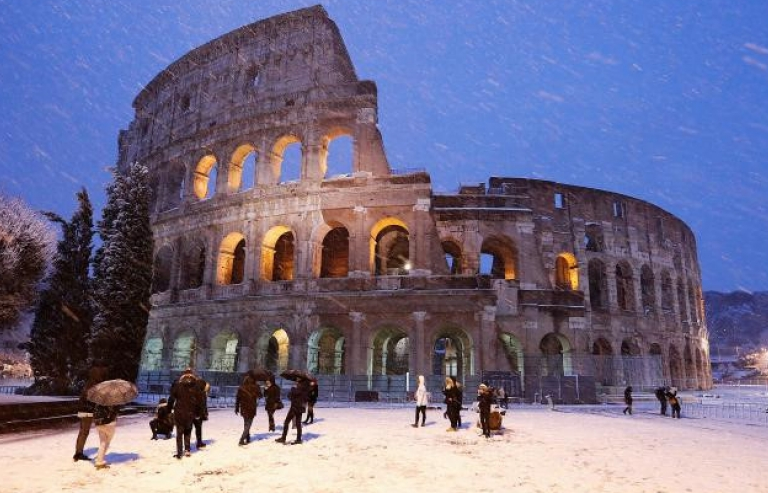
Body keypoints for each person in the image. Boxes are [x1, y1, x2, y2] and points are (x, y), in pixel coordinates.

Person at [73, 362, 109, 462]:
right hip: (88, 410)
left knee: (84, 432)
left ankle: (78, 452)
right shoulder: (96, 384)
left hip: (84, 408)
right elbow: (93, 398)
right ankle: (78, 453)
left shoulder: (91, 382)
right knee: (86, 432)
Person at [168, 369, 204, 458]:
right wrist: (199, 412)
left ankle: (179, 452)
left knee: (179, 432)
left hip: (179, 411)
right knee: (188, 430)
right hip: (190, 412)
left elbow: (171, 398)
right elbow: (200, 401)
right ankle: (187, 449)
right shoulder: (196, 386)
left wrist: (169, 409)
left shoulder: (178, 385)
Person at [275, 379, 309, 445]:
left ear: (299, 383)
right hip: (300, 408)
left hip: (294, 408)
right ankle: (298, 439)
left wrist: (292, 390)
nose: (295, 382)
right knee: (298, 424)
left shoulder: (296, 389)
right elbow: (305, 399)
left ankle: (283, 438)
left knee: (286, 422)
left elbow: (290, 396)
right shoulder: (305, 390)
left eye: (297, 381)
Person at [235, 374, 261, 445]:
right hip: (251, 408)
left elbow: (237, 399)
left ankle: (248, 437)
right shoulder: (256, 387)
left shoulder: (241, 387)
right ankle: (242, 439)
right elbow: (260, 396)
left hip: (243, 408)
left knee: (246, 423)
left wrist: (236, 408)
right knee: (248, 424)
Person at [93, 403, 119, 470]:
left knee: (103, 442)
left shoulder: (98, 402)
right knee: (106, 442)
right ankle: (99, 461)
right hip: (109, 424)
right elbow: (114, 414)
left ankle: (99, 458)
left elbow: (95, 413)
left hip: (98, 423)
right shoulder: (113, 402)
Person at [193, 374, 210, 449]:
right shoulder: (202, 393)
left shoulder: (192, 388)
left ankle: (187, 446)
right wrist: (203, 413)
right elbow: (202, 404)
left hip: (189, 411)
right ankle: (199, 442)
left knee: (188, 428)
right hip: (198, 412)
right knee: (198, 427)